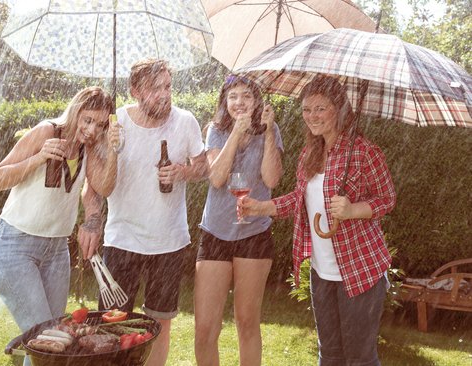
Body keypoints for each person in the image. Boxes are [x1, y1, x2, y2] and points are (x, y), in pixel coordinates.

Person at [240, 75, 396, 366]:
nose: (312, 116)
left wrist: (353, 210)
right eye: (307, 109)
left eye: (320, 108)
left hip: (359, 268)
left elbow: (386, 199)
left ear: (339, 109)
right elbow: (298, 200)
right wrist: (259, 208)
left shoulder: (363, 151)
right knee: (331, 355)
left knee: (360, 358)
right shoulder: (309, 153)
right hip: (321, 272)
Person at [82, 58, 208, 366]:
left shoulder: (185, 121)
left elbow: (204, 167)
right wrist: (91, 221)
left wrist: (183, 172)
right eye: (154, 89)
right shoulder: (115, 122)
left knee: (159, 325)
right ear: (135, 90)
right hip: (122, 240)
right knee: (113, 323)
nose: (164, 94)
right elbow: (94, 184)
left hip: (169, 242)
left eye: (167, 86)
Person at [0, 86, 120, 366]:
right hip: (13, 249)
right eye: (87, 120)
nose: (92, 129)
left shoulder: (90, 147)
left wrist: (114, 149)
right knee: (49, 342)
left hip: (56, 251)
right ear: (75, 111)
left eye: (100, 124)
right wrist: (39, 158)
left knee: (49, 344)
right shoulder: (46, 132)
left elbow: (104, 187)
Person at [194, 74, 283, 366]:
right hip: (216, 232)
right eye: (233, 96)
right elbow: (217, 178)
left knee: (247, 322)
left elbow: (272, 179)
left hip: (254, 234)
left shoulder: (271, 130)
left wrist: (268, 133)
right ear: (225, 101)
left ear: (256, 100)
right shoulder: (216, 131)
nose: (239, 102)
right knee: (205, 327)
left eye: (246, 95)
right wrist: (235, 132)